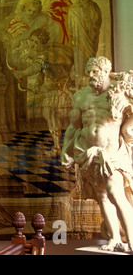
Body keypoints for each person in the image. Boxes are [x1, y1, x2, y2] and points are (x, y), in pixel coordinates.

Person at [61, 56, 133, 252]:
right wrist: (64, 150)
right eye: (88, 71)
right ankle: (115, 238)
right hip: (86, 153)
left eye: (95, 71)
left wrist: (128, 111)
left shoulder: (120, 91)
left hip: (111, 153)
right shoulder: (80, 96)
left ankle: (132, 239)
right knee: (102, 195)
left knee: (115, 193)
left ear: (105, 71)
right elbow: (73, 126)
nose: (90, 75)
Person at [68, 0, 102, 89]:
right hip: (79, 49)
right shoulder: (74, 10)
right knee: (80, 73)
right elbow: (72, 34)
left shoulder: (96, 8)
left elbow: (96, 33)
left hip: (91, 48)